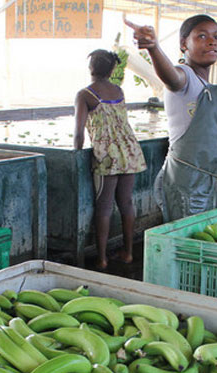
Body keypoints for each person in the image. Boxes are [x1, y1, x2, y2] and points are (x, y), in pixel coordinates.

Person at [126, 15, 217, 222]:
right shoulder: (185, 76)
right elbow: (171, 78)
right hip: (185, 180)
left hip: (208, 179)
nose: (212, 41)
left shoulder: (204, 85)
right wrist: (153, 48)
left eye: (216, 36)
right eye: (202, 36)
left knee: (201, 236)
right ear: (184, 44)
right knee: (186, 240)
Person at [74, 49, 147, 270]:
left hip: (106, 154)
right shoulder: (119, 90)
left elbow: (78, 132)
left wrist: (76, 154)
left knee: (104, 206)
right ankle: (128, 253)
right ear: (112, 70)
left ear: (90, 68)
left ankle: (102, 258)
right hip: (130, 150)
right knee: (126, 203)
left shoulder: (85, 94)